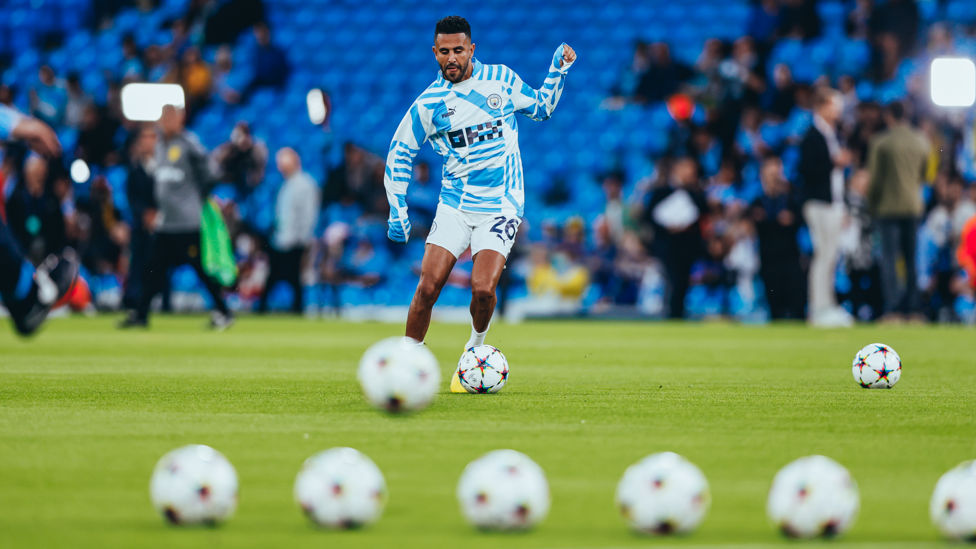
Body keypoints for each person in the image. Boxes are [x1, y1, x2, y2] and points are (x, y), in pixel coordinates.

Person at [382, 16, 574, 386]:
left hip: (501, 204)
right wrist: (397, 207)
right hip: (455, 204)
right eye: (444, 52)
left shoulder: (500, 79)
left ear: (471, 49)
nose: (451, 58)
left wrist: (557, 70)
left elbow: (541, 108)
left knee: (484, 289)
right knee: (427, 287)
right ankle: (407, 367)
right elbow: (399, 152)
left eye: (458, 50)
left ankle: (473, 352)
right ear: (434, 53)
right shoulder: (429, 104)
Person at [119, 105, 234, 330]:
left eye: (172, 117)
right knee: (152, 268)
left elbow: (210, 174)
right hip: (167, 223)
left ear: (181, 118)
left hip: (187, 223)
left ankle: (224, 311)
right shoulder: (161, 144)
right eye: (165, 117)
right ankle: (141, 314)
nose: (167, 122)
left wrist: (195, 198)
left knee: (201, 269)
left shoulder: (189, 144)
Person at [0, 104, 78, 336]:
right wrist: (15, 125)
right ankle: (25, 296)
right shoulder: (14, 193)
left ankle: (24, 295)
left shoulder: (53, 196)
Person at [866, 101, 929, 322]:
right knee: (912, 260)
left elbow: (874, 180)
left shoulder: (881, 142)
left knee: (890, 260)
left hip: (887, 207)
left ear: (889, 116)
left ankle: (893, 310)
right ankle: (914, 311)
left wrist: (871, 204)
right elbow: (926, 175)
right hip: (913, 205)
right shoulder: (921, 140)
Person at [799, 88, 853, 327]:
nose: (838, 110)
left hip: (833, 201)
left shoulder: (832, 133)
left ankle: (827, 304)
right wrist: (834, 162)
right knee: (824, 254)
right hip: (819, 202)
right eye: (834, 105)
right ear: (821, 106)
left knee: (831, 256)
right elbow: (807, 170)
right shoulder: (812, 135)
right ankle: (819, 307)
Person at [258, 148, 320, 314]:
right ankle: (286, 308)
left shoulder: (305, 184)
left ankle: (295, 308)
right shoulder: (286, 184)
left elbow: (308, 214)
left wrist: (303, 239)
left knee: (292, 278)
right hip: (281, 239)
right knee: (281, 278)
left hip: (295, 241)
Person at [645, 157, 708, 319]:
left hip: (687, 247)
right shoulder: (661, 191)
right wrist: (668, 227)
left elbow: (703, 213)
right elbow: (648, 217)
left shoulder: (697, 194)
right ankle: (672, 314)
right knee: (674, 282)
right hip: (667, 247)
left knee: (682, 283)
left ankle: (677, 313)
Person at [751, 156, 805, 319]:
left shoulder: (792, 198)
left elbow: (797, 221)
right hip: (769, 259)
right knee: (775, 306)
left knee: (797, 305)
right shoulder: (758, 202)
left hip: (790, 258)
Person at [122, 123, 157, 310]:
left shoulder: (163, 167)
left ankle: (161, 303)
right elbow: (132, 197)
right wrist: (144, 214)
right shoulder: (134, 169)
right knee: (137, 265)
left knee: (161, 267)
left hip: (163, 224)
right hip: (141, 225)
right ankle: (133, 302)